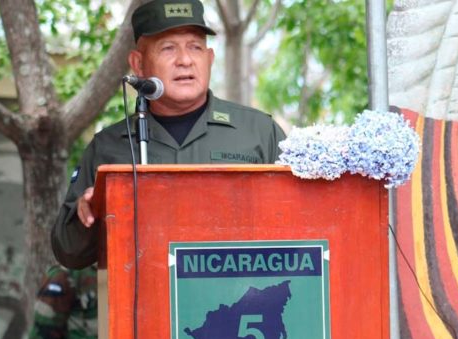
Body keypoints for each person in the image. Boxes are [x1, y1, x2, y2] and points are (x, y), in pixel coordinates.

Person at [51, 0, 286, 269]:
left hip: (238, 303)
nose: (185, 60)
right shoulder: (109, 147)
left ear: (209, 59)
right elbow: (68, 252)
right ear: (138, 64)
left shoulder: (258, 132)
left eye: (195, 47)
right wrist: (89, 215)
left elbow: (303, 225)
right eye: (168, 48)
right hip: (145, 307)